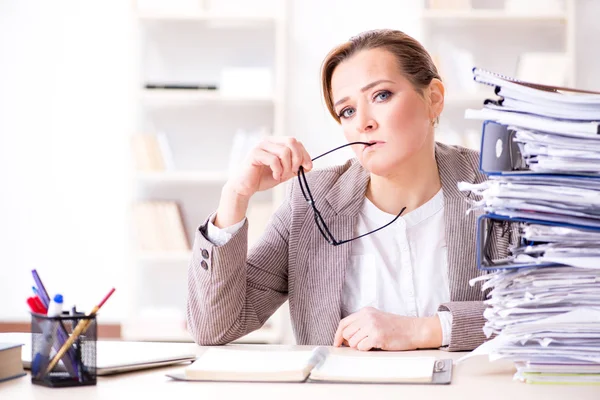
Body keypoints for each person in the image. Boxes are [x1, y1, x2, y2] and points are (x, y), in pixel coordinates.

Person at [186, 29, 511, 352]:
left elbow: (554, 311)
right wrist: (235, 196)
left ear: (434, 98)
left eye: (381, 95)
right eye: (347, 111)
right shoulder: (311, 204)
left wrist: (425, 330)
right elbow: (214, 327)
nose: (363, 123)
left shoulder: (499, 188)